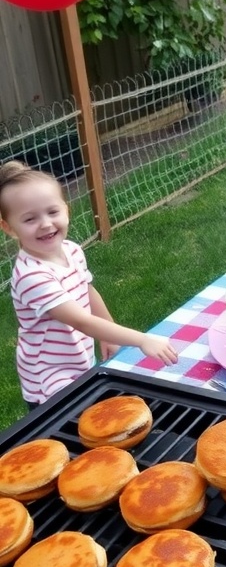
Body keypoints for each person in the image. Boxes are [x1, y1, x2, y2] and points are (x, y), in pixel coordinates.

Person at [0, 160, 178, 409]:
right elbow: (81, 321)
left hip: (77, 361)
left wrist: (109, 334)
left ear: (66, 209)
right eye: (30, 219)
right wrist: (141, 340)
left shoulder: (71, 250)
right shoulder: (31, 277)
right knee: (71, 432)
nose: (46, 224)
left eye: (52, 212)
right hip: (49, 380)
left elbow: (87, 290)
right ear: (9, 228)